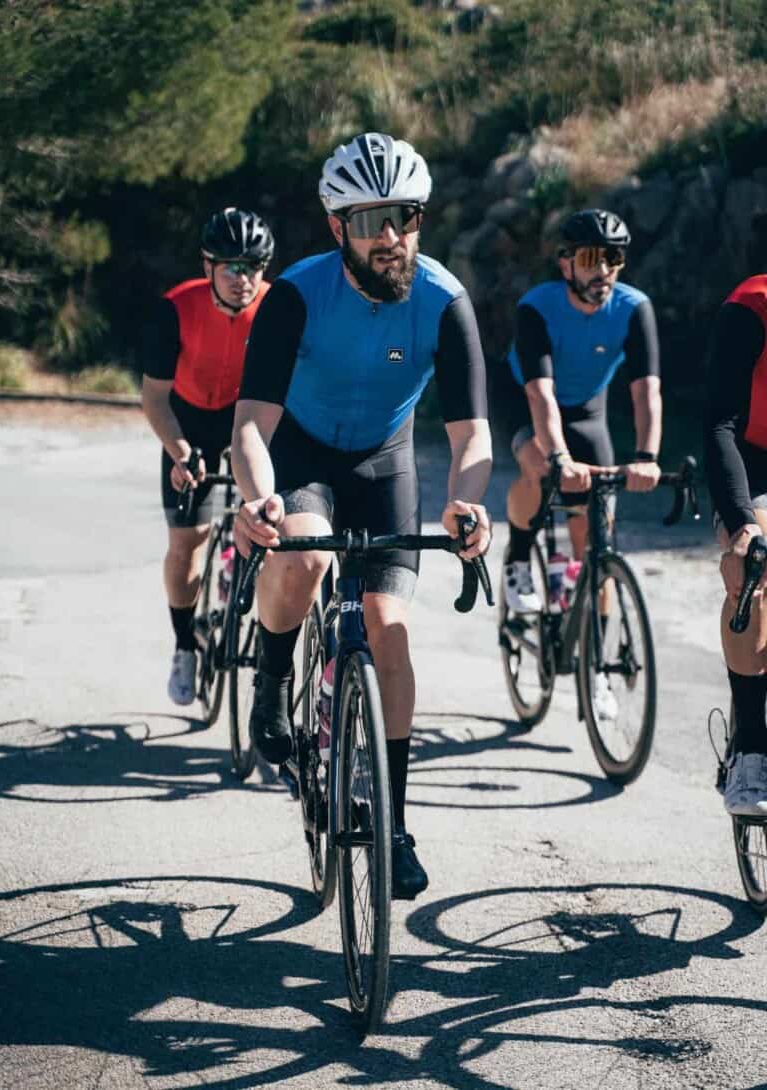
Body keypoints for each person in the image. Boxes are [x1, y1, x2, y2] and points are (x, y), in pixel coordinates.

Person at [230, 132, 492, 900]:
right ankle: (273, 682)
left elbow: (472, 434)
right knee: (304, 551)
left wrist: (467, 500)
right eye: (372, 218)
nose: (391, 236)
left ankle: (395, 822)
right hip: (303, 454)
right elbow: (249, 423)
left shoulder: (445, 301)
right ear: (337, 223)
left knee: (390, 624)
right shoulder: (297, 295)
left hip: (385, 457)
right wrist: (257, 497)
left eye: (405, 216)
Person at [502, 208, 662, 718]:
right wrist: (558, 457)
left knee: (597, 547)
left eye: (614, 258)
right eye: (593, 259)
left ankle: (598, 664)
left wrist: (647, 457)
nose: (605, 271)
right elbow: (541, 397)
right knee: (541, 467)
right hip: (527, 398)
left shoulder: (635, 308)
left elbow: (647, 394)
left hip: (590, 409)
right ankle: (517, 558)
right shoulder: (538, 307)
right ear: (567, 263)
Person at [140, 207, 274, 705]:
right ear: (207, 267)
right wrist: (179, 453)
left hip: (246, 420)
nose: (244, 279)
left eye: (255, 267)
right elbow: (154, 400)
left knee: (269, 523)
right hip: (188, 419)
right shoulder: (175, 309)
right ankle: (184, 644)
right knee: (188, 539)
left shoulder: (277, 308)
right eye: (232, 267)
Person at [705, 272, 767, 815]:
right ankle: (749, 750)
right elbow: (719, 423)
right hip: (752, 462)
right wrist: (742, 524)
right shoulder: (751, 305)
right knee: (755, 566)